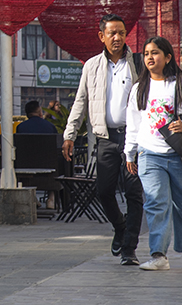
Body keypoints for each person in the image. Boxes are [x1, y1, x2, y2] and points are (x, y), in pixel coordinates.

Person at [62, 14, 145, 266]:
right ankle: (120, 227)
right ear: (102, 36)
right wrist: (70, 135)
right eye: (112, 33)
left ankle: (129, 248)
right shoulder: (91, 66)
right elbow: (81, 102)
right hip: (106, 139)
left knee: (133, 193)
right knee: (104, 191)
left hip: (133, 139)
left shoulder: (139, 63)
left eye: (121, 32)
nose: (118, 37)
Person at [124, 36, 182, 271]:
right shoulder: (138, 88)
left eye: (155, 53)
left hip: (180, 154)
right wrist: (129, 153)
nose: (150, 58)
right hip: (149, 154)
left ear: (168, 57)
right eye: (146, 54)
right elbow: (133, 123)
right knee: (155, 203)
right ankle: (158, 255)